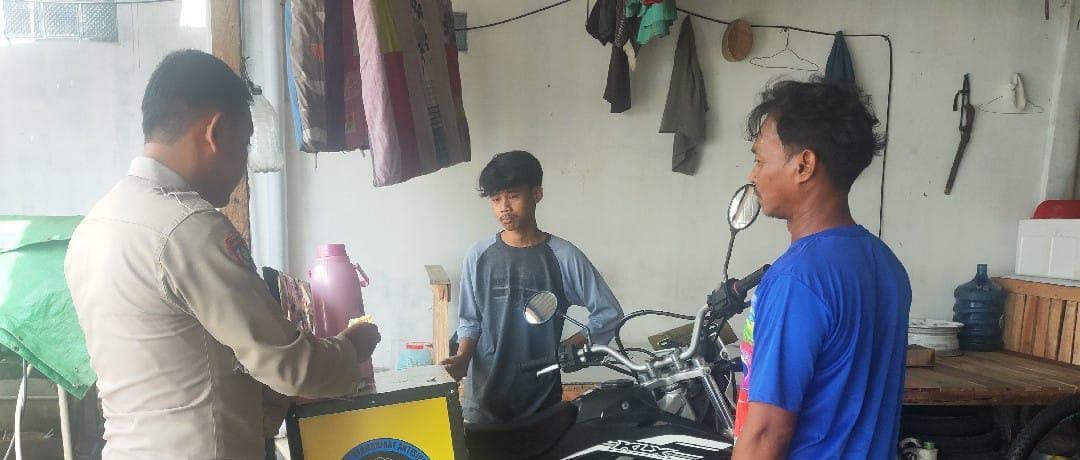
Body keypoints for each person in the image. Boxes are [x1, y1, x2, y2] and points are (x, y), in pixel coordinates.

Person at [64, 50, 381, 460]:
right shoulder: (189, 228)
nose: (243, 164)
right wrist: (351, 349)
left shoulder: (94, 227)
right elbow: (290, 366)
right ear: (215, 131)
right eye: (244, 142)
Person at [731, 80, 911, 459]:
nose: (752, 175)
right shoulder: (887, 265)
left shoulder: (796, 279)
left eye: (760, 161)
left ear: (804, 165)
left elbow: (766, 434)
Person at [439, 150, 625, 423]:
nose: (504, 207)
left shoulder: (563, 256)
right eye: (495, 199)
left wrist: (568, 347)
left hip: (541, 401)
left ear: (536, 194)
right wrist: (462, 359)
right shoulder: (479, 256)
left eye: (513, 196)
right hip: (483, 401)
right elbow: (470, 321)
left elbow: (609, 313)